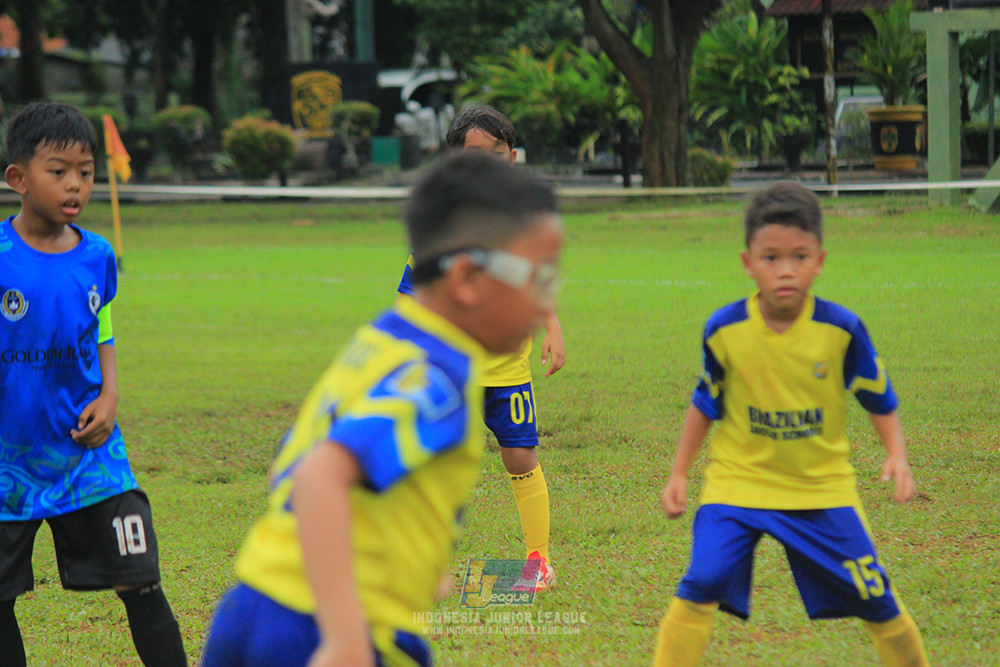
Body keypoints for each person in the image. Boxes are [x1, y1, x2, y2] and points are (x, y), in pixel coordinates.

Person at [201, 151, 564, 667]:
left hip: (250, 604)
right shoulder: (441, 378)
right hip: (320, 628)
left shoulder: (378, 344)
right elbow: (319, 478)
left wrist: (408, 563)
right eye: (539, 279)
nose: (545, 302)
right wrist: (346, 641)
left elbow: (289, 463)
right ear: (465, 278)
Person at [653, 181, 928, 666]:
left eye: (799, 257)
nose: (785, 271)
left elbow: (877, 397)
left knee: (876, 596)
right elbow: (705, 403)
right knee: (703, 580)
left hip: (820, 489)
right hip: (738, 485)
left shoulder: (841, 330)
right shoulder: (725, 330)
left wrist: (898, 455)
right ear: (748, 263)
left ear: (820, 260)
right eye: (771, 258)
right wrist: (679, 473)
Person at [0, 102, 187, 666]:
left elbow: (100, 325)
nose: (75, 184)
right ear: (18, 179)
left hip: (89, 456)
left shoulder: (97, 255)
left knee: (141, 578)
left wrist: (109, 394)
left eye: (85, 171)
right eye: (58, 171)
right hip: (9, 462)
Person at [396, 104, 564, 591]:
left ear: (511, 158)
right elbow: (413, 291)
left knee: (521, 457)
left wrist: (552, 329)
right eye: (476, 155)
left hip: (508, 368)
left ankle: (538, 563)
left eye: (497, 153)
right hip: (453, 371)